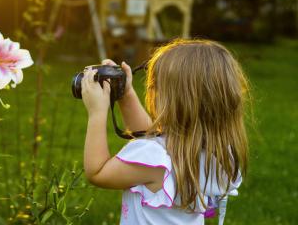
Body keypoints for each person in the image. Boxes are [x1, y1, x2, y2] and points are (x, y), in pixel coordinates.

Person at [81, 39, 249, 225]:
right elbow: (150, 136)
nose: (151, 91)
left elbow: (97, 172)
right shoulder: (215, 156)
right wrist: (125, 95)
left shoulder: (154, 161)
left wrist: (97, 112)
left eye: (155, 86)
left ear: (176, 101)